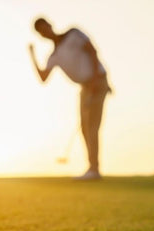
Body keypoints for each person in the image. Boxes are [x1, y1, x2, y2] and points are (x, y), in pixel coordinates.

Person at [29, 17, 111, 180]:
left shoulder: (73, 33)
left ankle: (94, 170)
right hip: (85, 87)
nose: (44, 31)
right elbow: (43, 77)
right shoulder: (55, 55)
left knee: (92, 126)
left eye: (44, 27)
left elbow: (92, 51)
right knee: (84, 127)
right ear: (41, 35)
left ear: (50, 25)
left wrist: (95, 80)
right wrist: (32, 55)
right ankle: (92, 168)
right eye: (40, 31)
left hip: (97, 81)